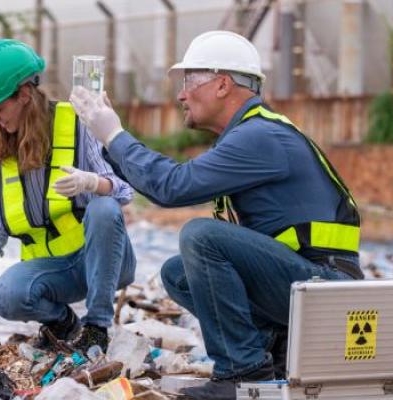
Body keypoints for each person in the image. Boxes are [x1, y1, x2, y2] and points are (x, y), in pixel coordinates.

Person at [71, 30, 364, 400]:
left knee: (202, 237)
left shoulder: (260, 137)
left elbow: (173, 186)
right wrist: (107, 143)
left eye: (189, 81)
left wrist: (116, 136)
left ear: (223, 84)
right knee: (177, 274)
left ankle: (242, 371)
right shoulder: (251, 134)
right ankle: (268, 350)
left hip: (327, 290)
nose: (180, 95)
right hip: (307, 285)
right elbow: (170, 183)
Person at [0, 39, 136, 353]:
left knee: (104, 208)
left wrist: (92, 182)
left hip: (105, 262)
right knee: (5, 296)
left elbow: (125, 191)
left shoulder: (78, 122)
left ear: (23, 95)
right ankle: (64, 324)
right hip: (55, 273)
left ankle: (97, 327)